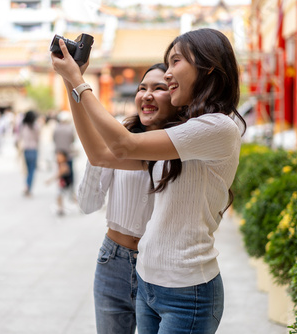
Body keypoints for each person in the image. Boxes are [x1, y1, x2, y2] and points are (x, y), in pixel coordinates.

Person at [51, 28, 246, 334]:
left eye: (175, 62)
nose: (168, 74)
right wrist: (70, 82)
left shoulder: (217, 128)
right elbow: (101, 155)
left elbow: (122, 146)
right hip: (149, 281)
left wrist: (79, 80)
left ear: (207, 67)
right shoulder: (183, 135)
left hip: (186, 290)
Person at [78, 63, 179, 334]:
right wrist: (97, 154)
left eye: (159, 88)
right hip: (113, 261)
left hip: (159, 263)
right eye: (142, 88)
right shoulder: (119, 139)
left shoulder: (185, 146)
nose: (146, 95)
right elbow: (88, 205)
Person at [16, 110, 41, 197]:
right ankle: (28, 187)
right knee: (31, 170)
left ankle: (27, 185)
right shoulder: (35, 126)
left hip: (26, 150)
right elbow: (38, 139)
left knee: (27, 170)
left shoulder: (23, 126)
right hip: (33, 150)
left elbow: (19, 137)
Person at [46, 150, 74, 216]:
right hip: (63, 184)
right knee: (60, 196)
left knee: (70, 197)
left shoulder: (64, 165)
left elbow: (58, 175)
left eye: (59, 157)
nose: (58, 158)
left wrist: (49, 181)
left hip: (66, 184)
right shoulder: (61, 165)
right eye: (57, 157)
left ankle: (61, 209)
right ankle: (60, 209)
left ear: (64, 158)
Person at [53, 111, 76, 185]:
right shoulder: (70, 129)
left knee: (60, 171)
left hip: (59, 153)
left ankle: (61, 187)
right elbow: (72, 140)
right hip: (68, 153)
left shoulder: (56, 128)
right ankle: (70, 187)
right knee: (70, 172)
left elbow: (54, 139)